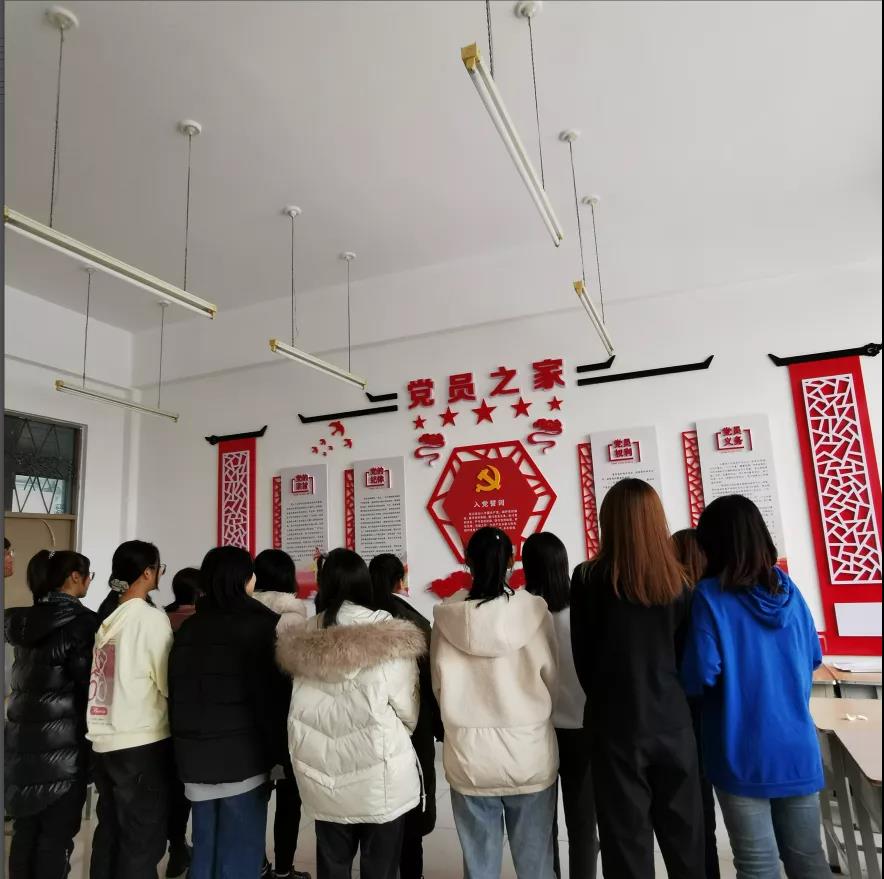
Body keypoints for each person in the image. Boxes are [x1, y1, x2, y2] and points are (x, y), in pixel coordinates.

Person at [681, 496, 830, 879]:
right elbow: (814, 657)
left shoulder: (709, 597)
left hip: (739, 750)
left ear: (712, 544)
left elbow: (700, 675)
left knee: (757, 865)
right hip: (797, 747)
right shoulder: (790, 591)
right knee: (808, 860)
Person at [571, 478, 704, 879]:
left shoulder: (588, 578)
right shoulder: (680, 582)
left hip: (615, 725)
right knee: (687, 844)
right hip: (673, 722)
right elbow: (687, 657)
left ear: (607, 521)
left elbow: (584, 660)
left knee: (625, 845)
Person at [277, 548, 425, 879]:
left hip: (322, 774)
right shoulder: (387, 629)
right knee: (381, 868)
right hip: (380, 776)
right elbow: (408, 709)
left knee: (332, 866)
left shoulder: (306, 633)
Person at [431, 527, 559, 879]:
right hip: (528, 753)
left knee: (480, 867)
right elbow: (552, 680)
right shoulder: (534, 612)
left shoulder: (447, 617)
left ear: (468, 561)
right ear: (512, 560)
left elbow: (439, 685)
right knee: (536, 866)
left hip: (469, 757)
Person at [168, 546, 291, 879]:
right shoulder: (261, 626)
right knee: (239, 853)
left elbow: (175, 693)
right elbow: (271, 700)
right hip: (244, 759)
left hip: (194, 757)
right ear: (245, 579)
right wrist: (280, 755)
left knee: (204, 849)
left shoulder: (189, 628)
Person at [5, 549, 98, 878]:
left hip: (22, 744)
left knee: (25, 832)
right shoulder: (83, 624)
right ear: (75, 577)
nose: (88, 582)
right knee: (55, 838)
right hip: (63, 749)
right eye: (88, 576)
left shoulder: (25, 622)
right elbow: (90, 688)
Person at [87, 540, 175, 879]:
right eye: (158, 568)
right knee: (141, 839)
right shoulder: (149, 619)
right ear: (148, 573)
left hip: (104, 740)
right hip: (140, 742)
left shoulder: (108, 616)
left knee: (109, 832)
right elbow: (166, 681)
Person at [522, 532, 599, 879]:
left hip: (537, 731)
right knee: (583, 825)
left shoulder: (523, 615)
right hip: (582, 728)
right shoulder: (583, 611)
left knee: (542, 824)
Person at [369, 553, 443, 879]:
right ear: (400, 581)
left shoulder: (358, 618)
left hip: (374, 724)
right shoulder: (414, 622)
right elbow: (430, 678)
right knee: (414, 800)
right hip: (414, 725)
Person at [251, 549, 311, 879]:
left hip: (252, 718)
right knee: (290, 797)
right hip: (288, 719)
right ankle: (285, 869)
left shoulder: (243, 613)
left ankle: (259, 864)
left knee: (255, 795)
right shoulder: (294, 618)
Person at [672, 529, 721, 879]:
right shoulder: (715, 599)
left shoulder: (682, 601)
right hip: (714, 711)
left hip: (687, 714)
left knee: (698, 811)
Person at [163, 566, 203, 878]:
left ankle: (176, 848)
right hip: (194, 716)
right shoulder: (201, 623)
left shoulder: (162, 618)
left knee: (173, 790)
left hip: (163, 714)